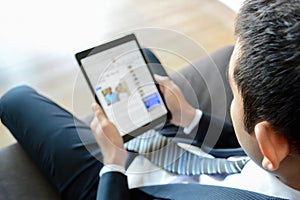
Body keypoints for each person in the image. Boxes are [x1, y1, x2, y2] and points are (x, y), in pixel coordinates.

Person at [0, 0, 299, 199]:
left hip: (124, 185)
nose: (231, 98)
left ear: (271, 143)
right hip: (190, 155)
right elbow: (243, 153)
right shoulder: (285, 161)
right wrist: (190, 117)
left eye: (233, 94)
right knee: (139, 63)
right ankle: (158, 126)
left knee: (15, 99)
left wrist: (114, 163)